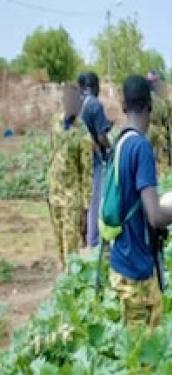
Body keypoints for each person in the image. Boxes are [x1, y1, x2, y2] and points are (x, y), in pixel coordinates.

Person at [109, 75, 172, 328]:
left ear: (124, 107)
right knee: (146, 356)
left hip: (120, 259)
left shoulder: (120, 142)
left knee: (133, 346)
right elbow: (155, 216)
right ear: (150, 106)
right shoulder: (141, 147)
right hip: (137, 270)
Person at [47, 85, 91, 270]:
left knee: (70, 248)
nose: (71, 105)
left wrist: (86, 207)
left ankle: (71, 281)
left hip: (72, 199)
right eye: (68, 100)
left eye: (75, 101)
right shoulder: (55, 123)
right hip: (54, 194)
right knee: (59, 245)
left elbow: (87, 172)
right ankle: (64, 278)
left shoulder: (83, 134)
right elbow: (51, 153)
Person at [78, 71, 112, 249]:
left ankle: (80, 236)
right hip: (93, 158)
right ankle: (94, 240)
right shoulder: (95, 105)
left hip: (75, 159)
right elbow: (101, 136)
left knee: (79, 198)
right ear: (95, 86)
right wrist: (111, 149)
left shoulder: (77, 103)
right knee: (94, 198)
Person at [146, 71, 172, 178]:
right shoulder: (163, 100)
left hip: (148, 131)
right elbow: (169, 119)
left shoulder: (145, 98)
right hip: (160, 132)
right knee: (163, 163)